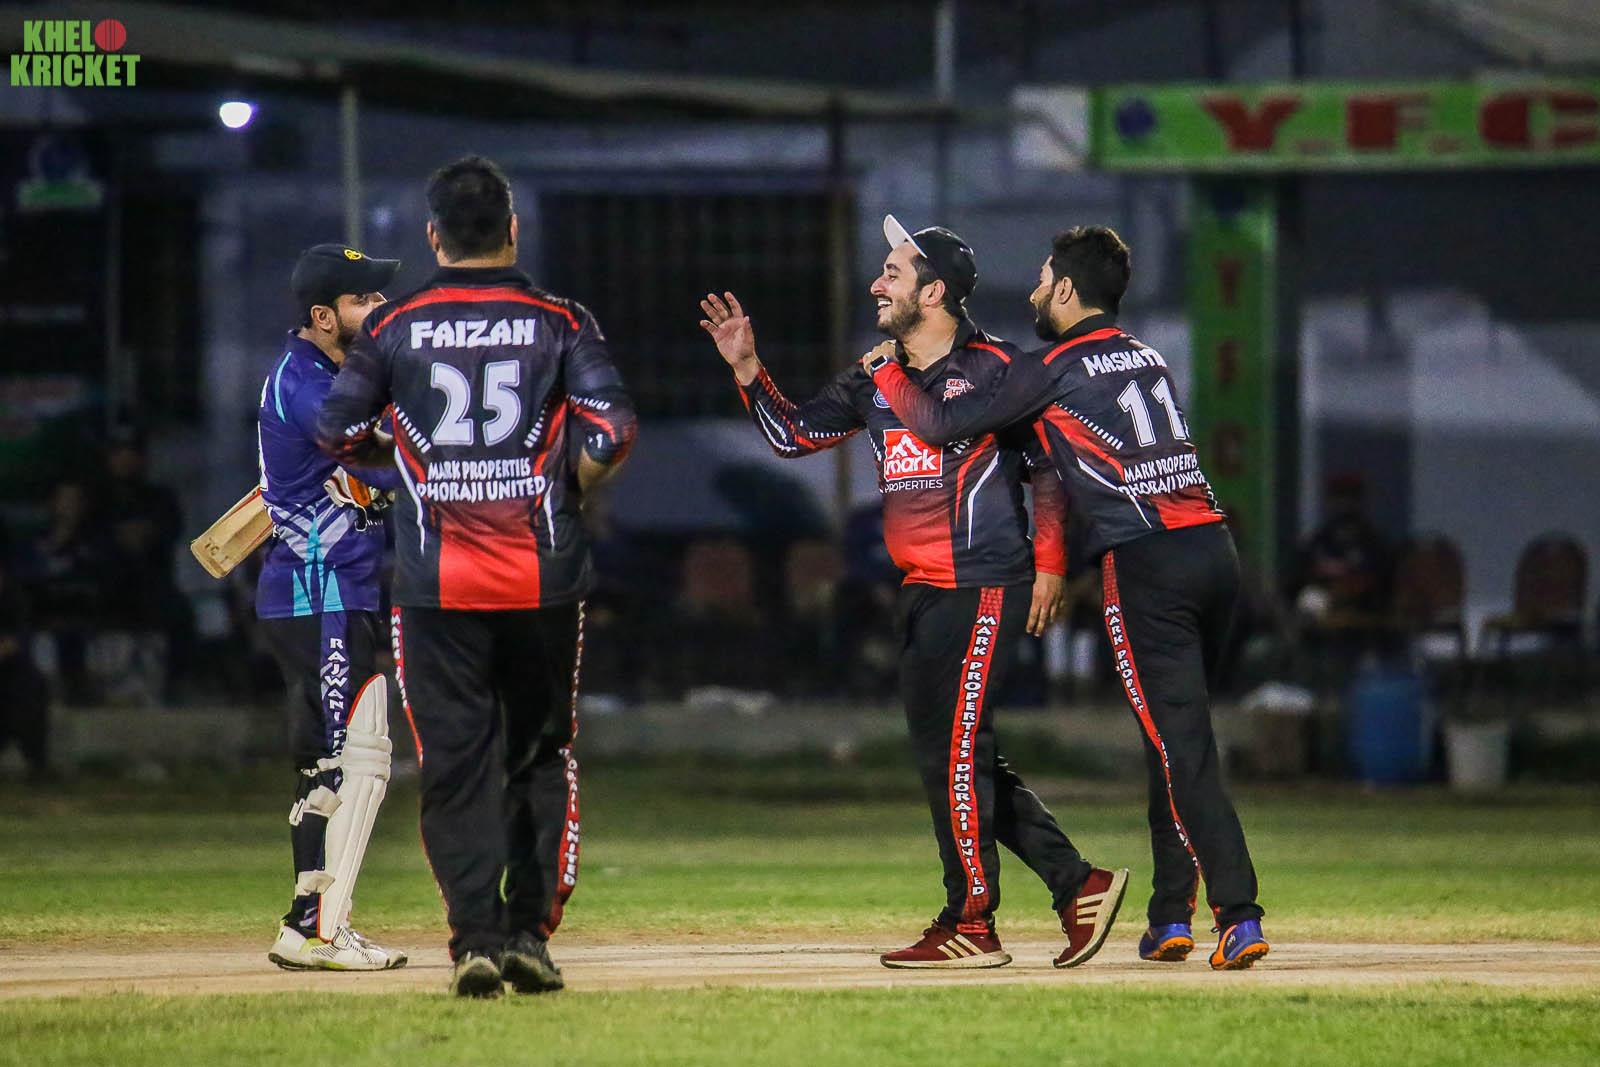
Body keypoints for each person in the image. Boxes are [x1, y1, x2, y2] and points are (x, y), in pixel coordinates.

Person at [700, 215, 1128, 971]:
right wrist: (747, 367)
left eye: (892, 273)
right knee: (954, 759)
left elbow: (1047, 468)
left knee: (958, 755)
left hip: (984, 583)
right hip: (923, 591)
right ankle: (1078, 884)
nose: (876, 284)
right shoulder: (874, 375)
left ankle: (972, 922)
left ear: (934, 293)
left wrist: (1051, 563)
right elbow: (793, 435)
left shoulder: (996, 368)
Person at [863, 224, 1269, 970]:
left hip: (1144, 562)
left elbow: (941, 423)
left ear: (1069, 290)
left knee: (1182, 745)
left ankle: (1238, 914)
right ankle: (1169, 915)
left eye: (1044, 279)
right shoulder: (1144, 353)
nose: (1033, 293)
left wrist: (888, 370)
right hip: (1215, 550)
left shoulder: (1048, 367)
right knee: (1172, 737)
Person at [317, 155, 636, 998]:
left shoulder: (394, 326)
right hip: (543, 580)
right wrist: (569, 485)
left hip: (436, 586)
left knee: (454, 765)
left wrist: (406, 465)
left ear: (433, 236)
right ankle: (529, 930)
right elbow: (612, 429)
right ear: (512, 230)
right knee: (540, 755)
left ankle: (475, 941)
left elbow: (336, 429)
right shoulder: (561, 319)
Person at [256, 242, 408, 972]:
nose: (378, 309)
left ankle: (315, 925)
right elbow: (385, 460)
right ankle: (312, 930)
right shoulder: (309, 385)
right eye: (363, 300)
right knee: (344, 761)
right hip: (317, 588)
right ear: (324, 316)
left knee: (350, 754)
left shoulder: (327, 375)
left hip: (335, 587)